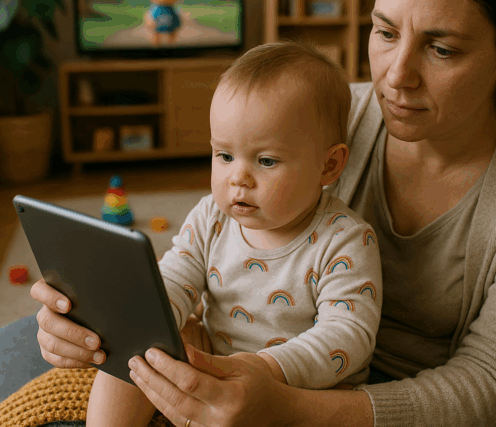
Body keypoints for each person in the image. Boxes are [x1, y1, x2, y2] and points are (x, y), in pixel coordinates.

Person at [30, 0, 496, 425]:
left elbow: (490, 385)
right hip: (241, 372)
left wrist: (282, 405)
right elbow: (192, 266)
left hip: (356, 401)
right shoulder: (320, 120)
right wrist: (95, 318)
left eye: (441, 49)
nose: (396, 77)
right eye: (385, 32)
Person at [83, 41, 384, 427]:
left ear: (328, 166)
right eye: (224, 156)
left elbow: (347, 335)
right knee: (147, 337)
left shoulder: (345, 240)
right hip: (215, 362)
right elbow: (175, 276)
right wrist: (148, 318)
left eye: (266, 160)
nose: (238, 178)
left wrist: (267, 370)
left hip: (299, 391)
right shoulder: (211, 216)